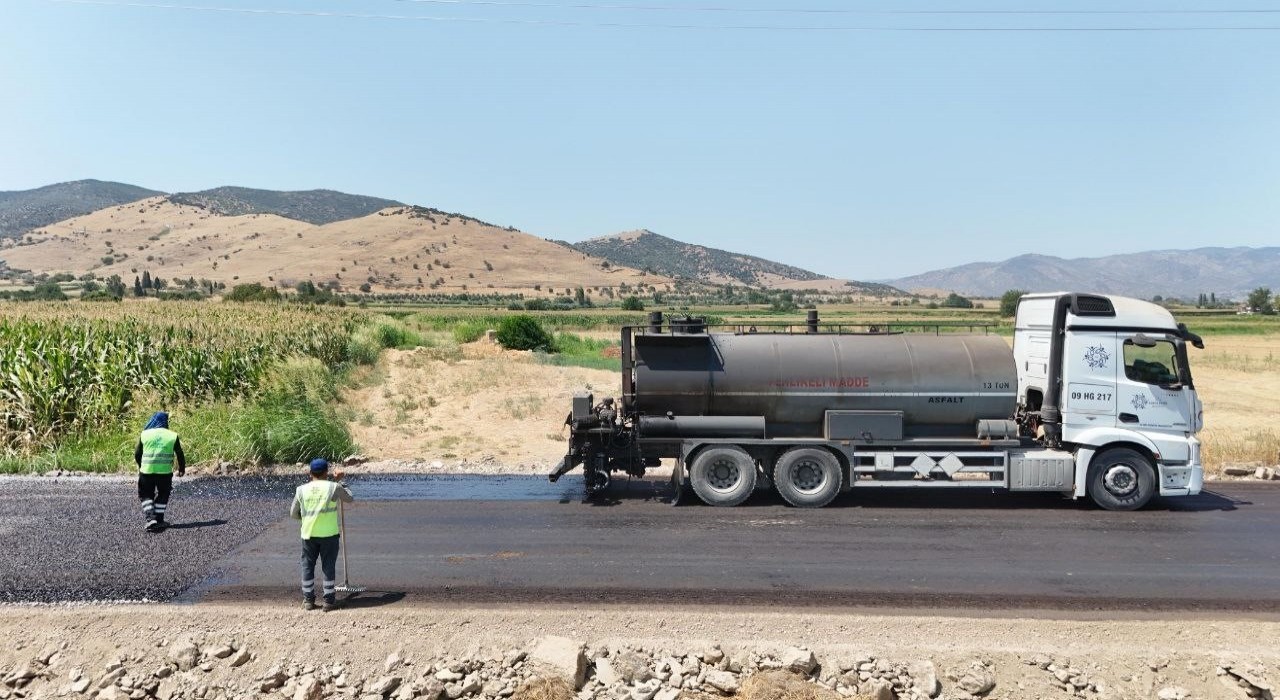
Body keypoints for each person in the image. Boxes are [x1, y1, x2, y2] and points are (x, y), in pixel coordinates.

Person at [290, 458, 354, 611]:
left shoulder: (301, 490)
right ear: (327, 472)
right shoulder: (333, 487)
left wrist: (305, 518)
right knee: (328, 566)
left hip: (308, 534)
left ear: (310, 473)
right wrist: (341, 481)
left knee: (307, 566)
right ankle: (329, 601)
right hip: (329, 534)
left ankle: (308, 600)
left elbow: (293, 513)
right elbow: (349, 498)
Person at [135, 411, 186, 533]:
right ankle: (159, 519)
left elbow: (137, 453)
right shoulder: (172, 435)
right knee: (163, 493)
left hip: (146, 471)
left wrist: (140, 465)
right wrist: (182, 468)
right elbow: (179, 453)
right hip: (165, 473)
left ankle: (150, 519)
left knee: (146, 494)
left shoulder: (145, 434)